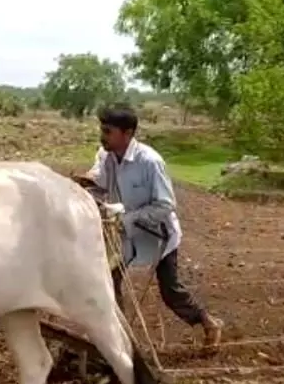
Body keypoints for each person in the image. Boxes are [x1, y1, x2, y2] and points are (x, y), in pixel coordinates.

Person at [85, 104, 223, 348]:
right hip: (125, 233)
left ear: (127, 134)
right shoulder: (106, 156)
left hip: (157, 233)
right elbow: (99, 182)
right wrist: (82, 186)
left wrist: (127, 216)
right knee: (109, 279)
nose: (102, 136)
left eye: (108, 131)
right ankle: (117, 337)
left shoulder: (149, 162)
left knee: (170, 292)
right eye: (102, 130)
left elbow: (165, 204)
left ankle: (208, 322)